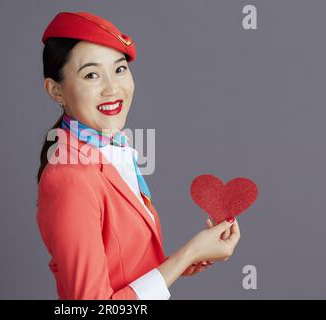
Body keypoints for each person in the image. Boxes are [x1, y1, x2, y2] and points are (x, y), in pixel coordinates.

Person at [36, 11, 241, 300]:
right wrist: (187, 255)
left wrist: (181, 261)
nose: (113, 88)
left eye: (119, 69)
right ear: (56, 90)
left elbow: (117, 263)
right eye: (92, 75)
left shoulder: (113, 148)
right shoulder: (70, 177)